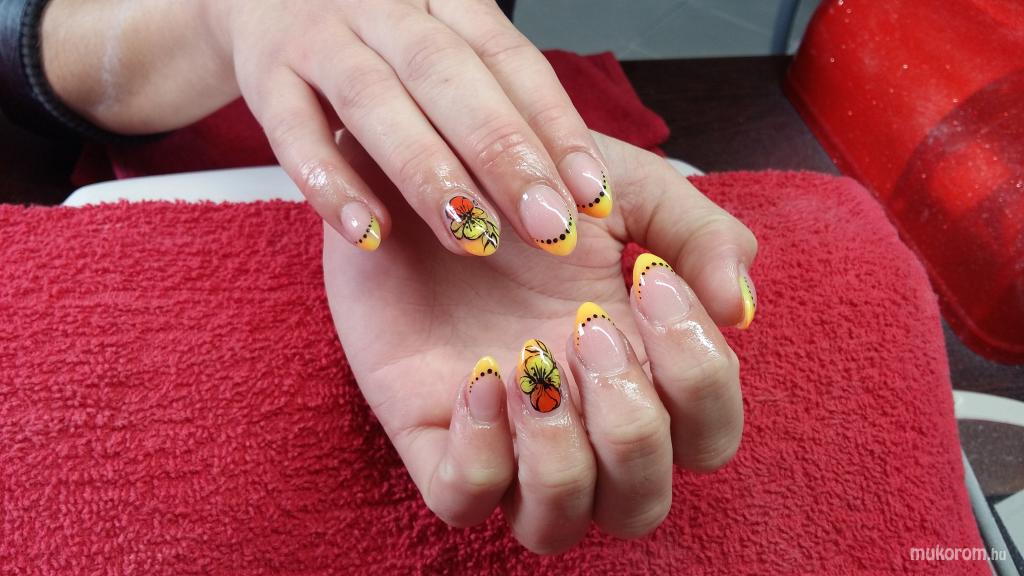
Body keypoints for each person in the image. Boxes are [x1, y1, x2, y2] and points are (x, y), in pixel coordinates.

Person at [1, 0, 758, 554]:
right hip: (165, 152)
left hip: (458, 142)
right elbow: (23, 43)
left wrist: (497, 154)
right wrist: (228, 16)